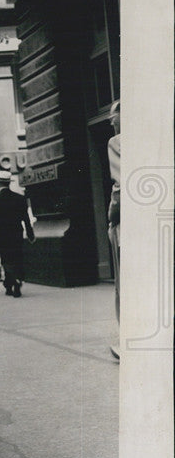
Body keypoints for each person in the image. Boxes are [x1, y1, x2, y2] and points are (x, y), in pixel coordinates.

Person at [0, 170, 35, 297]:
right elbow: (26, 219)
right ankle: (14, 281)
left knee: (5, 259)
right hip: (16, 233)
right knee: (16, 257)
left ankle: (11, 282)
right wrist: (30, 234)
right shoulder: (20, 199)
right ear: (9, 183)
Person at [107, 99, 120, 358]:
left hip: (129, 225)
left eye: (113, 115)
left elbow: (121, 185)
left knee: (125, 283)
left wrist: (111, 216)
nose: (111, 121)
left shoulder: (117, 142)